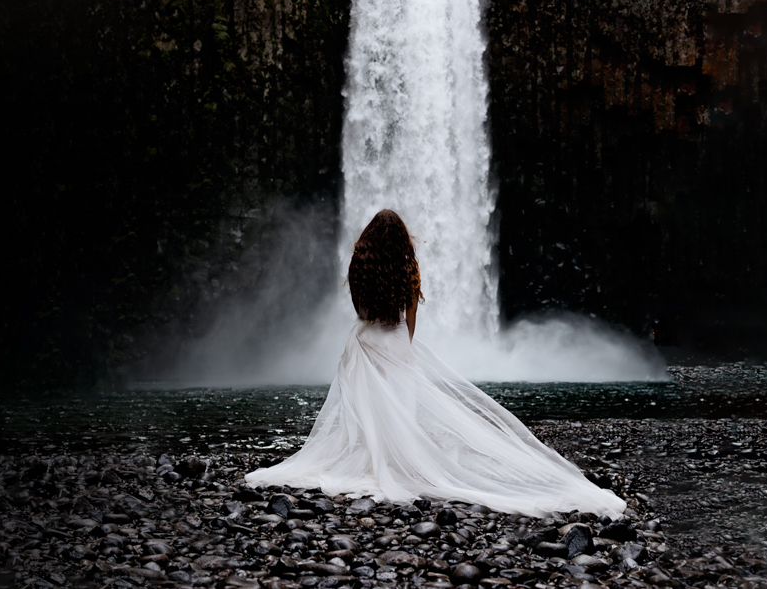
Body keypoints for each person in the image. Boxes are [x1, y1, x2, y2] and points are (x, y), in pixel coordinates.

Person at [244, 209, 626, 518]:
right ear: (402, 238)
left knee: (364, 401)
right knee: (401, 401)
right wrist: (404, 344)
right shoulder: (406, 265)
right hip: (395, 337)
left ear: (369, 237)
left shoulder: (360, 263)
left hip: (365, 336)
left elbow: (359, 309)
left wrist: (373, 325)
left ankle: (370, 456)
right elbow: (410, 313)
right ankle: (400, 459)